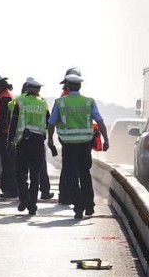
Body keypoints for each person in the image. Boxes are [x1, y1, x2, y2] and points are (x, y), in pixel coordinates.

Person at [47, 71, 110, 219]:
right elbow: (100, 121)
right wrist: (106, 139)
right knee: (85, 174)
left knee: (71, 176)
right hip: (85, 145)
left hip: (69, 145)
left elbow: (51, 123)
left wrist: (50, 139)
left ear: (67, 86)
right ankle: (89, 206)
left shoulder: (60, 102)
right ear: (80, 86)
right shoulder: (89, 102)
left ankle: (78, 207)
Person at [7, 77, 50, 215]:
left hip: (23, 142)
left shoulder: (20, 101)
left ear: (27, 88)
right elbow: (48, 122)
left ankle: (24, 198)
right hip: (38, 142)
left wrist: (9, 141)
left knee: (21, 172)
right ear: (37, 90)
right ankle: (32, 205)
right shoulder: (43, 104)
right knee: (35, 174)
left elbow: (13, 121)